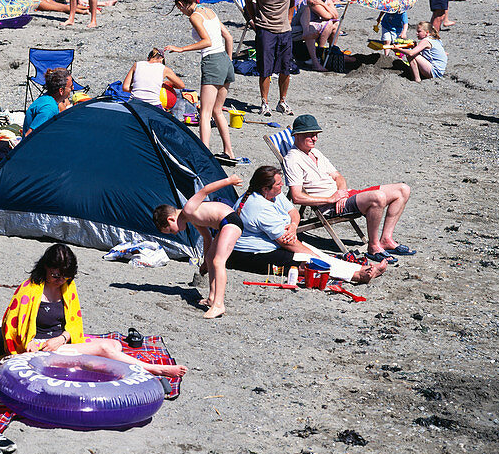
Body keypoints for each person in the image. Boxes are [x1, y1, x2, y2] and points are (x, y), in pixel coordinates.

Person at [1, 243, 186, 376]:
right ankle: (153, 369)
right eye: (55, 275)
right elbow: (13, 324)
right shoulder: (30, 290)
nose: (60, 280)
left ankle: (82, 362)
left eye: (66, 276)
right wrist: (31, 344)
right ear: (45, 267)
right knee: (105, 347)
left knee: (115, 345)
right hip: (41, 346)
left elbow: (74, 322)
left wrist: (62, 338)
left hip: (61, 343)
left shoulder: (67, 287)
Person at [282, 114, 414, 263]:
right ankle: (373, 246)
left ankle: (386, 239)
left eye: (316, 135)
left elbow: (339, 177)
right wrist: (331, 199)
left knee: (403, 189)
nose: (315, 139)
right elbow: (297, 197)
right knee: (378, 197)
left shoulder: (315, 153)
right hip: (329, 206)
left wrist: (342, 194)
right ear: (297, 135)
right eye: (311, 135)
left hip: (344, 197)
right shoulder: (292, 159)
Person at [228, 166, 387, 284]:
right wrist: (314, 257)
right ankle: (357, 275)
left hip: (274, 242)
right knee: (307, 262)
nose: (282, 185)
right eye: (278, 184)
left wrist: (294, 226)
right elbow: (288, 243)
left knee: (314, 254)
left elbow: (293, 212)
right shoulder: (259, 208)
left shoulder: (272, 195)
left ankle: (358, 270)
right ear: (265, 188)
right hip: (251, 255)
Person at [153, 175, 243, 318]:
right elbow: (207, 238)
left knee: (218, 261)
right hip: (223, 225)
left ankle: (219, 305)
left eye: (170, 229)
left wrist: (229, 181)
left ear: (171, 218)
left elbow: (205, 190)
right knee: (211, 259)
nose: (174, 233)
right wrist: (204, 263)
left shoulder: (189, 209)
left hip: (230, 222)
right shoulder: (192, 219)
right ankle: (212, 298)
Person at [164, 0, 236, 160]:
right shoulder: (209, 11)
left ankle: (204, 155)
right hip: (225, 61)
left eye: (179, 8)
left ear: (181, 4)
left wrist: (181, 49)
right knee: (217, 110)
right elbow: (228, 36)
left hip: (212, 61)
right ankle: (229, 152)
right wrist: (229, 59)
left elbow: (207, 41)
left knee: (205, 111)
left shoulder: (195, 16)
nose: (181, 12)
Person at [245, 0, 296, 117]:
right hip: (265, 30)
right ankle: (264, 102)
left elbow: (293, 2)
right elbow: (248, 2)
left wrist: (288, 19)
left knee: (285, 69)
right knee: (265, 69)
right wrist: (255, 20)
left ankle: (282, 101)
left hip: (284, 31)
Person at [299, 0, 341, 72]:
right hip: (305, 24)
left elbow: (336, 15)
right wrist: (329, 9)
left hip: (317, 22)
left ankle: (332, 50)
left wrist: (323, 4)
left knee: (336, 24)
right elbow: (326, 16)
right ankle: (319, 53)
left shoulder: (325, 0)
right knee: (329, 23)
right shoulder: (312, 0)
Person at [23, 67, 71, 138]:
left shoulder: (47, 97)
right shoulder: (49, 109)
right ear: (61, 91)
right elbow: (29, 136)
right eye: (71, 86)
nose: (72, 89)